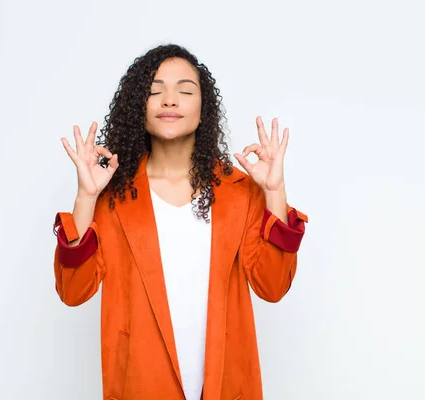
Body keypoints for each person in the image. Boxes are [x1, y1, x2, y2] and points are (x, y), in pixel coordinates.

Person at [53, 44, 308, 400]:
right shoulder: (111, 195)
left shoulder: (240, 192)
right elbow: (73, 292)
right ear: (137, 108)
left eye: (185, 91)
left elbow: (273, 286)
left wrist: (275, 191)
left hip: (227, 387)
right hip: (140, 385)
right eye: (155, 91)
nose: (169, 100)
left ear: (204, 110)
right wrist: (86, 198)